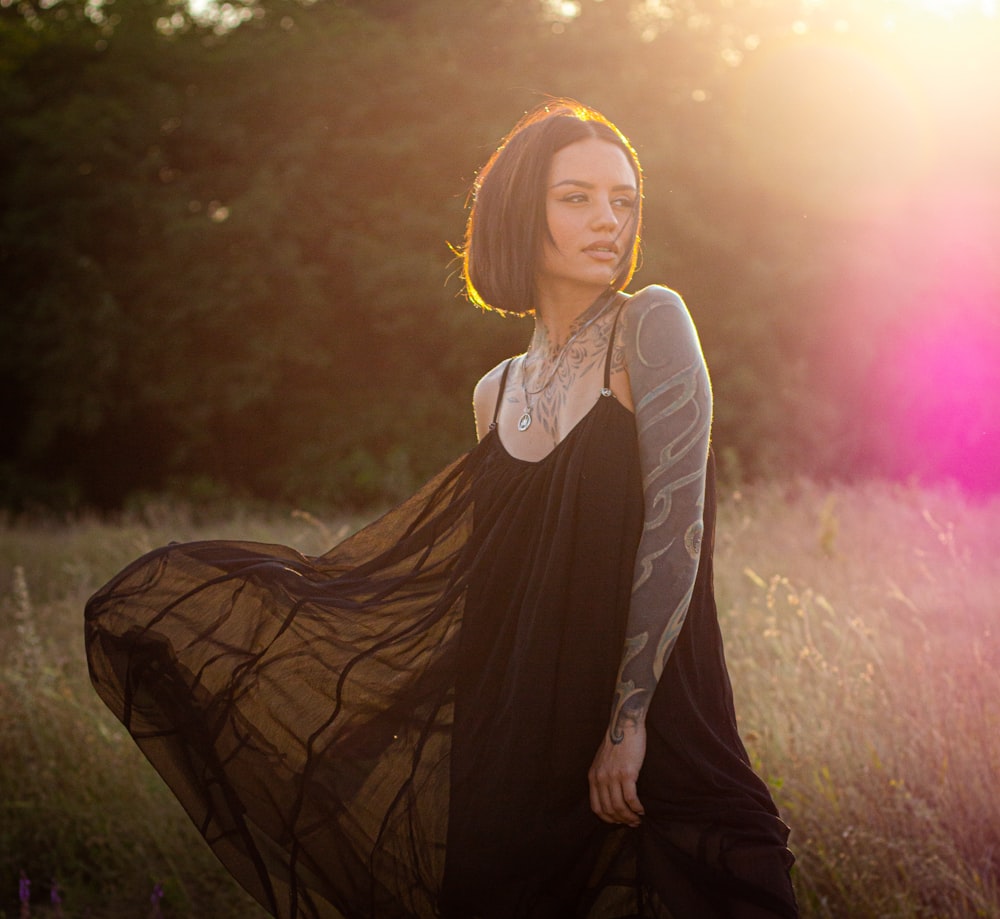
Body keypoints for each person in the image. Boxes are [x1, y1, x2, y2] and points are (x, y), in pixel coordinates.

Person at [85, 99, 798, 918]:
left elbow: (678, 529)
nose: (608, 220)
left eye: (623, 199)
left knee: (732, 880)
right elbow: (489, 582)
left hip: (653, 708)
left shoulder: (651, 325)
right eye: (577, 198)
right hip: (516, 728)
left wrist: (626, 719)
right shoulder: (494, 393)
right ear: (518, 210)